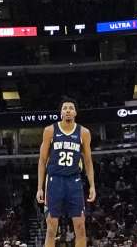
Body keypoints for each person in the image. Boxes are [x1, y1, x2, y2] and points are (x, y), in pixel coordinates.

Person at [37, 100, 95, 247]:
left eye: (71, 108)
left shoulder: (84, 132)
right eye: (65, 108)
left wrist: (92, 185)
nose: (68, 110)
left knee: (81, 227)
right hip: (54, 180)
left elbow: (88, 161)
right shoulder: (49, 131)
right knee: (51, 228)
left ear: (75, 113)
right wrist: (39, 188)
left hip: (74, 181)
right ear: (61, 113)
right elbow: (42, 160)